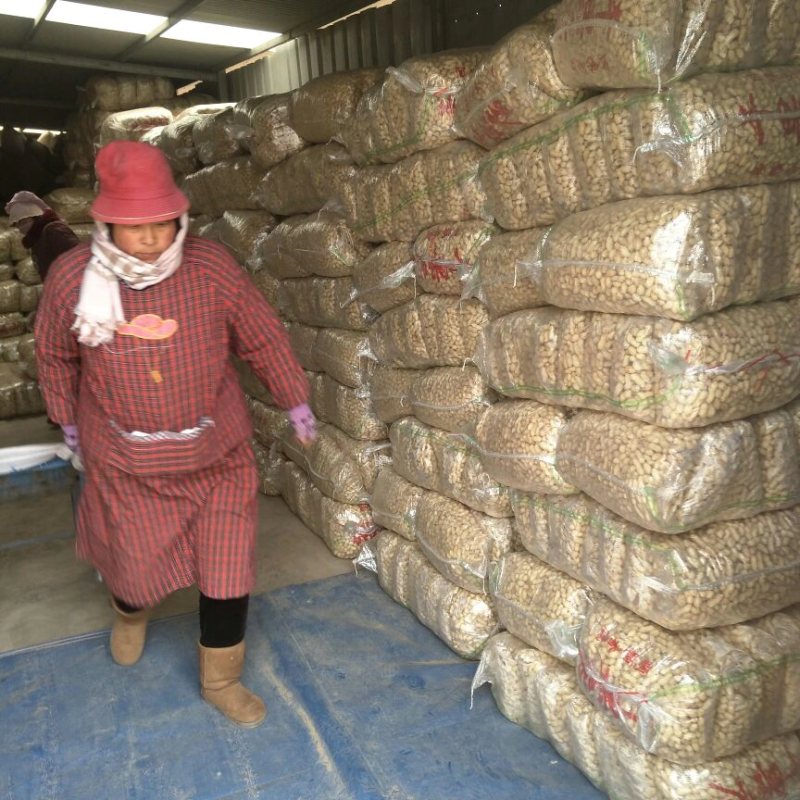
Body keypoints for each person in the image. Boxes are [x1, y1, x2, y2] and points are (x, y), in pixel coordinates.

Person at [35, 140, 317, 729]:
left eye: (164, 222)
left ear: (180, 215)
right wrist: (65, 414)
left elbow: (260, 335)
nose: (152, 237)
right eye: (135, 226)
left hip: (217, 457)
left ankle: (221, 678)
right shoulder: (70, 280)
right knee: (134, 568)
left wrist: (293, 396)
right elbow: (56, 356)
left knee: (228, 568)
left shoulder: (211, 268)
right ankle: (129, 612)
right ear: (105, 221)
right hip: (127, 464)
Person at [4, 191, 79, 282]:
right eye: (17, 224)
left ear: (35, 218)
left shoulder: (53, 230)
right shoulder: (37, 238)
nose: (20, 227)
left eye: (24, 222)